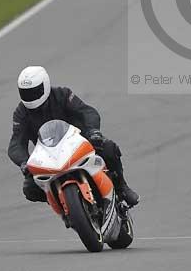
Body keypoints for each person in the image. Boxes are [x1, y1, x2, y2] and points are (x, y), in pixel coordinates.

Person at [8, 66, 140, 207]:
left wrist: (93, 131)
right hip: (49, 158)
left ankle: (122, 188)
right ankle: (63, 203)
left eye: (34, 91)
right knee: (30, 188)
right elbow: (16, 143)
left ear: (45, 85)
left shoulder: (62, 95)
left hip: (79, 144)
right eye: (26, 92)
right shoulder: (21, 112)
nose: (31, 96)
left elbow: (87, 112)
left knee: (108, 148)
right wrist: (24, 162)